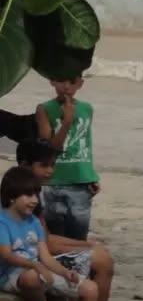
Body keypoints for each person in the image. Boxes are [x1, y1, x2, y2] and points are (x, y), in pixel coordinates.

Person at [16, 139, 129, 301]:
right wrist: (88, 246)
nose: (50, 171)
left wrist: (88, 244)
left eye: (52, 165)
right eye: (44, 165)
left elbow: (46, 237)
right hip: (29, 260)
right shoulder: (21, 194)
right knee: (102, 261)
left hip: (38, 254)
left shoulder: (31, 191)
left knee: (97, 253)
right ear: (24, 164)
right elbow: (46, 244)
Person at [0, 166, 112, 301]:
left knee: (90, 288)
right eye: (28, 195)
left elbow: (46, 257)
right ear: (10, 197)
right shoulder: (2, 222)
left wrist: (65, 272)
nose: (34, 200)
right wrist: (36, 266)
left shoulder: (34, 221)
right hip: (12, 274)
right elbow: (7, 256)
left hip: (39, 271)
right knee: (31, 277)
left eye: (36, 194)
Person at [34, 75, 99, 241]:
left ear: (80, 84)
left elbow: (85, 145)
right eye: (62, 80)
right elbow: (50, 147)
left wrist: (91, 174)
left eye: (72, 82)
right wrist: (67, 121)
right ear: (52, 81)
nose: (66, 86)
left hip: (79, 181)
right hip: (53, 181)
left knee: (78, 238)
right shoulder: (44, 109)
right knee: (55, 237)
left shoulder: (87, 109)